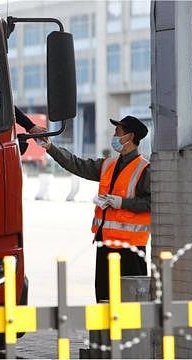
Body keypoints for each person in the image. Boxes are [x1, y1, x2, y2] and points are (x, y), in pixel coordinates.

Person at [40, 115, 150, 302]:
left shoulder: (144, 169)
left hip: (130, 248)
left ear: (130, 137)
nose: (114, 135)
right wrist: (51, 147)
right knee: (105, 298)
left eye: (118, 131)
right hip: (105, 243)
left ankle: (129, 333)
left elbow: (150, 203)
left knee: (130, 302)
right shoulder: (109, 164)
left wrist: (121, 203)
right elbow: (77, 165)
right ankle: (106, 333)